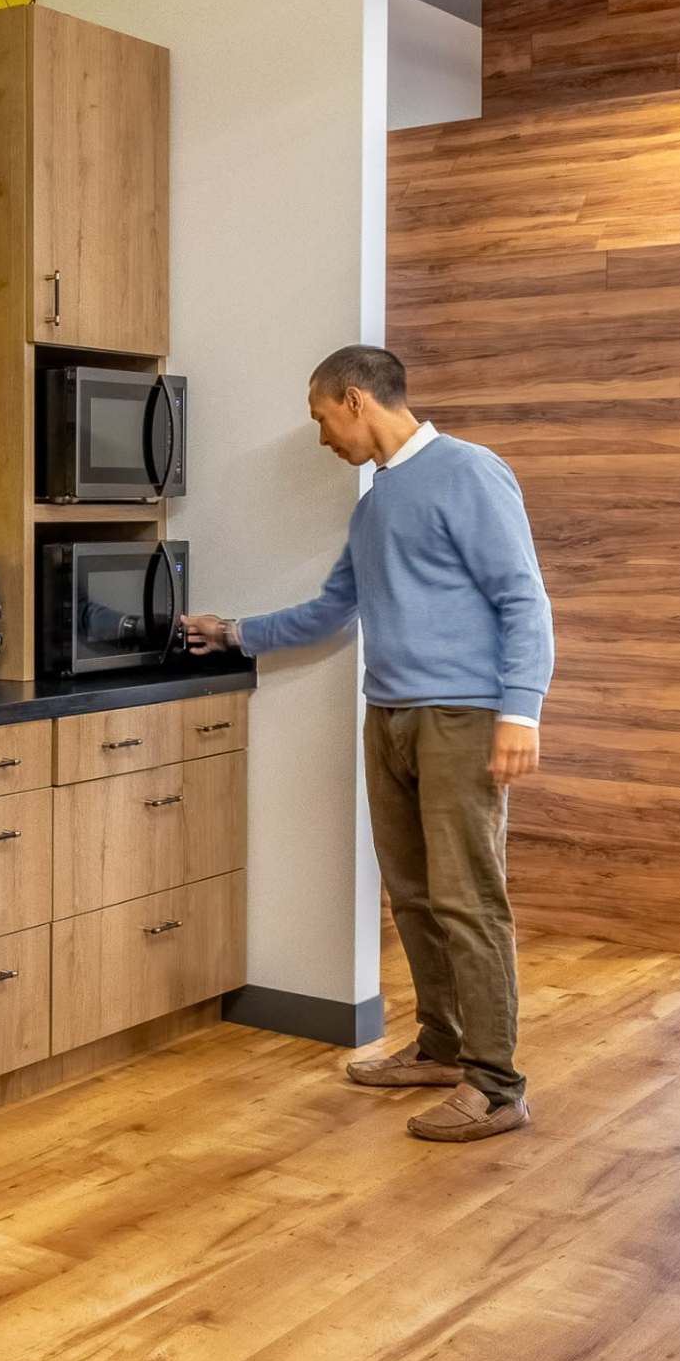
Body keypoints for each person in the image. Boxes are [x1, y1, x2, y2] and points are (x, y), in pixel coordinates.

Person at [186, 344, 553, 1144]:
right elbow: (330, 609)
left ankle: (496, 1086)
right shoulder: (375, 505)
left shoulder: (469, 472)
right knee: (414, 893)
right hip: (387, 717)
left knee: (468, 899)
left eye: (323, 419)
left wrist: (520, 710)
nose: (323, 438)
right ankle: (441, 1048)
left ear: (354, 399)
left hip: (460, 716)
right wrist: (233, 631)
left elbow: (523, 596)